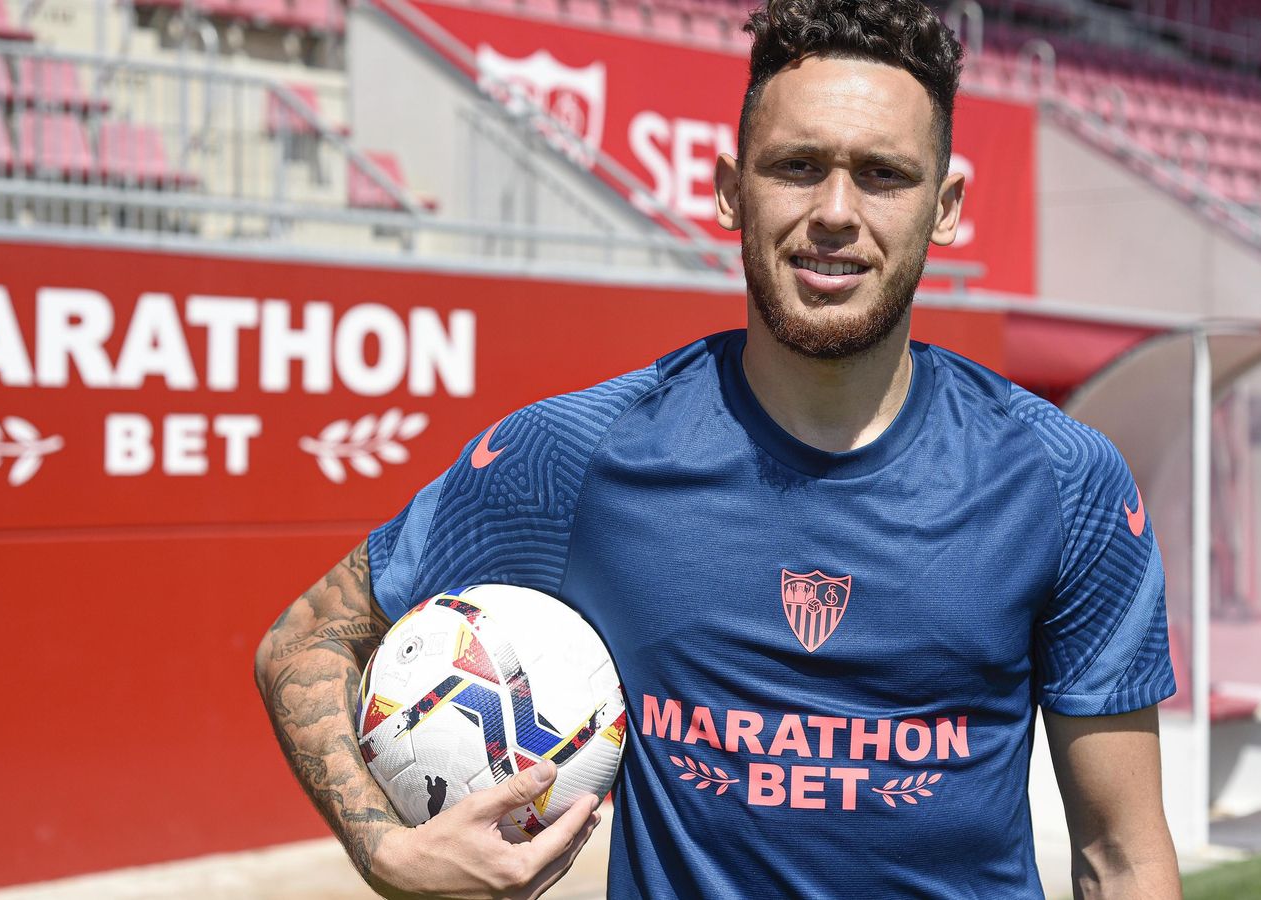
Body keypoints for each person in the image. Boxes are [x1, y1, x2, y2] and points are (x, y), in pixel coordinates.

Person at [255, 0, 1182, 896]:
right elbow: (307, 640)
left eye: (883, 175)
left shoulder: (1066, 484)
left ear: (945, 206)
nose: (834, 211)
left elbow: (1123, 859)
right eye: (796, 166)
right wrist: (387, 853)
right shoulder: (574, 456)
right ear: (731, 189)